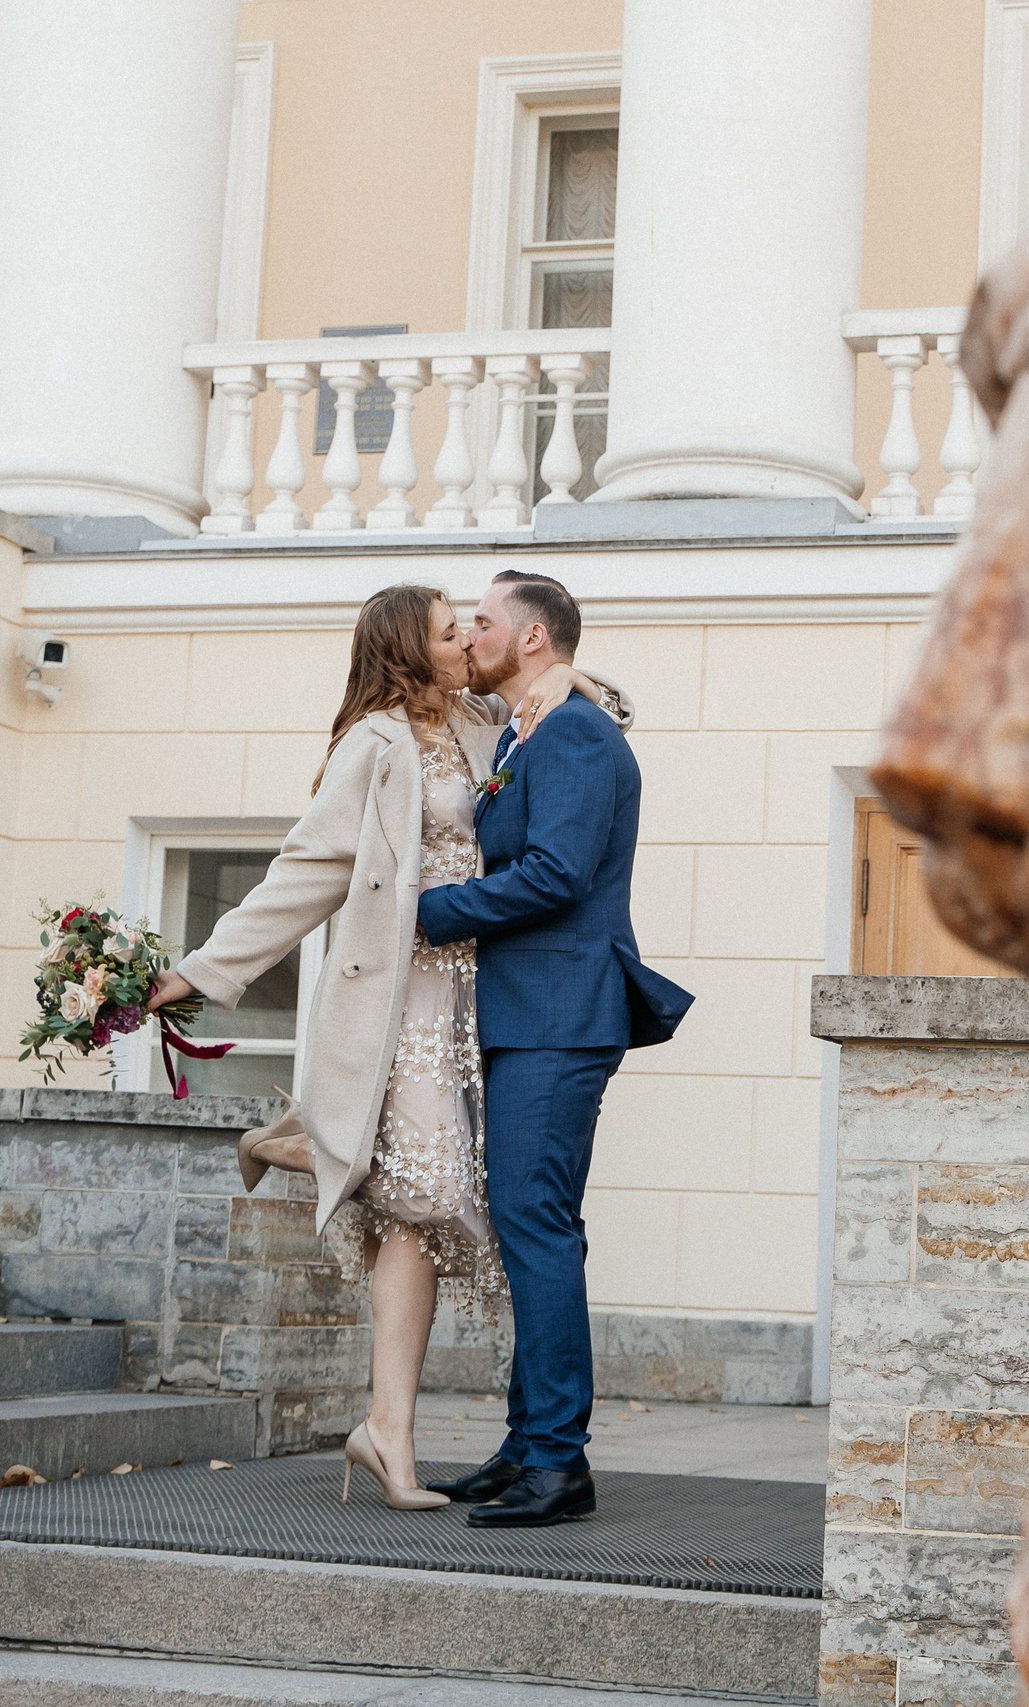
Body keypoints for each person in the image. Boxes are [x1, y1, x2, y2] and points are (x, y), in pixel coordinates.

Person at [142, 583, 628, 1509]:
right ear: (415, 650)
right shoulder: (377, 744)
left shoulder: (492, 719)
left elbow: (596, 714)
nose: (467, 641)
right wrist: (197, 972)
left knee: (431, 1204)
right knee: (431, 1192)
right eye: (452, 632)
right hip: (403, 1000)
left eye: (475, 626)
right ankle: (318, 1144)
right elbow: (304, 872)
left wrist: (567, 673)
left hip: (482, 1004)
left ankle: (398, 1428)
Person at [416, 570, 694, 1529]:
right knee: (534, 1222)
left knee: (536, 1225)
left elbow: (557, 872)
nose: (473, 634)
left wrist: (426, 913)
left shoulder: (574, 729)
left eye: (484, 621)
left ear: (533, 636)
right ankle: (527, 1442)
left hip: (559, 1014)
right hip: (531, 1014)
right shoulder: (534, 722)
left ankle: (559, 1460)